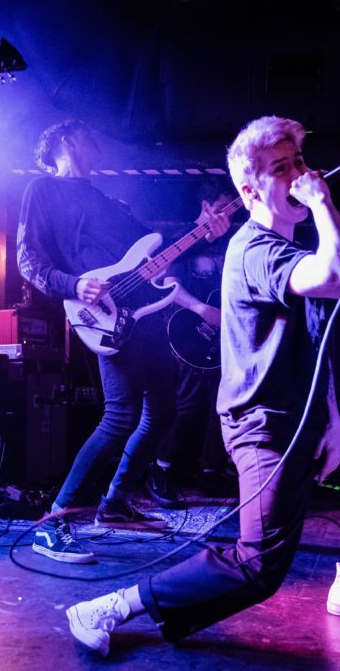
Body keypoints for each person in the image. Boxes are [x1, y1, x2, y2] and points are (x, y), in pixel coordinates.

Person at [63, 115, 340, 656]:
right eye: (281, 168)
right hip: (264, 429)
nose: (298, 174)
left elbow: (318, 350)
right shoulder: (256, 249)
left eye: (300, 162)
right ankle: (110, 606)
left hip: (309, 418)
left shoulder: (290, 252)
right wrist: (321, 201)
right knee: (257, 567)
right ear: (248, 190)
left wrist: (334, 420)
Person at [17, 119, 227, 564]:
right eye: (90, 136)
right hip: (101, 315)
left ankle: (114, 503)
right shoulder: (42, 191)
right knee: (120, 415)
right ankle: (54, 521)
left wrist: (201, 230)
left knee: (165, 410)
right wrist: (74, 286)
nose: (97, 143)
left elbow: (153, 252)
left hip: (141, 315)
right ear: (66, 140)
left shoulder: (105, 198)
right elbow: (28, 259)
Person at [147, 179, 238, 507]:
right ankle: (160, 471)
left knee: (221, 405)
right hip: (187, 332)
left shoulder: (230, 242)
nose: (229, 214)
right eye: (224, 207)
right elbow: (169, 284)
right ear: (206, 206)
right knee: (187, 405)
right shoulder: (184, 239)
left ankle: (212, 473)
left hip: (221, 334)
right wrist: (202, 309)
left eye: (233, 208)